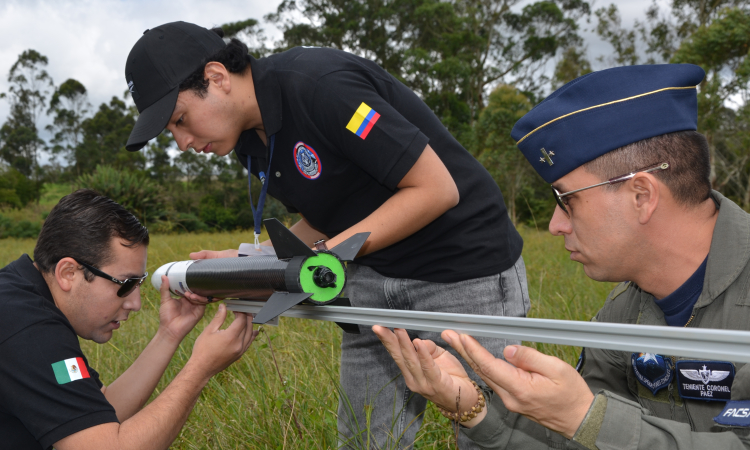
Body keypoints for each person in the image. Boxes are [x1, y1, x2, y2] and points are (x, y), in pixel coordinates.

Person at [122, 21, 529, 448]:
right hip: (371, 284)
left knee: (491, 433)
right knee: (364, 440)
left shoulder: (321, 87)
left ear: (217, 77)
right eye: (172, 132)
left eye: (180, 120)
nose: (183, 142)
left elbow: (436, 189)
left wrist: (320, 259)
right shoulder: (246, 140)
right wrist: (246, 262)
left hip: (464, 273)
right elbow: (323, 216)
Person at [374, 63, 750, 449]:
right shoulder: (624, 314)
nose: (556, 225)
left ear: (642, 196)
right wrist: (473, 408)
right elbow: (583, 441)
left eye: (566, 199)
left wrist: (583, 417)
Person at [0, 189, 258, 450]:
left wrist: (169, 334)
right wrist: (200, 370)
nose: (136, 303)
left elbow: (96, 414)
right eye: (125, 284)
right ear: (68, 273)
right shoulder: (29, 331)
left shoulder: (22, 298)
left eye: (139, 283)